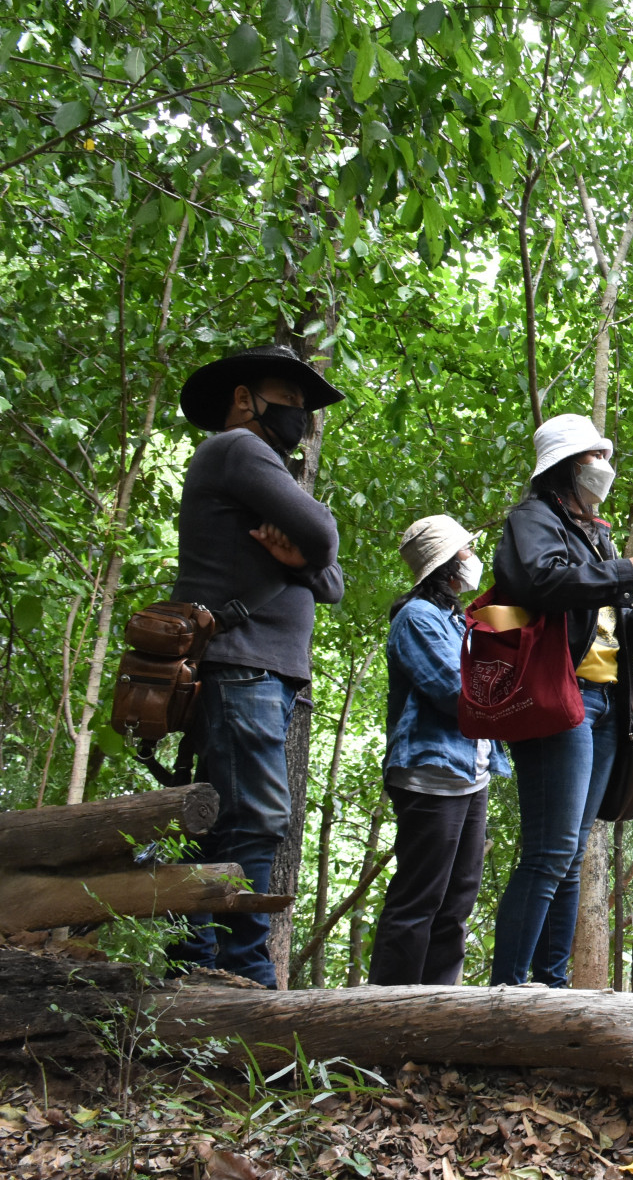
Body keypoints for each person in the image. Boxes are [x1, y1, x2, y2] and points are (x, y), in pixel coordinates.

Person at [488, 414, 633, 988]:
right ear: (571, 466)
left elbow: (618, 635)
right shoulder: (532, 519)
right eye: (597, 456)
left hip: (604, 702)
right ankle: (508, 988)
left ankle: (551, 987)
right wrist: (627, 567)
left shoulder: (594, 532)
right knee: (549, 852)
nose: (607, 466)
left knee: (572, 852)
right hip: (557, 697)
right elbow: (540, 583)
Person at [172, 345, 345, 987]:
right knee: (256, 818)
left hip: (258, 671)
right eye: (291, 398)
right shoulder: (238, 450)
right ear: (245, 399)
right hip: (244, 666)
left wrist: (303, 558)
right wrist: (309, 549)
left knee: (225, 816)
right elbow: (325, 536)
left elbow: (333, 582)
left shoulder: (257, 465)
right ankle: (241, 975)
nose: (301, 412)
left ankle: (197, 964)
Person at [371, 515, 507, 986]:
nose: (473, 559)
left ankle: (436, 1011)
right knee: (419, 898)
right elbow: (453, 691)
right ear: (447, 566)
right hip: (431, 774)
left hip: (473, 774)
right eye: (466, 552)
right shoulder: (417, 619)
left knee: (457, 901)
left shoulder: (454, 619)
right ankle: (386, 1016)